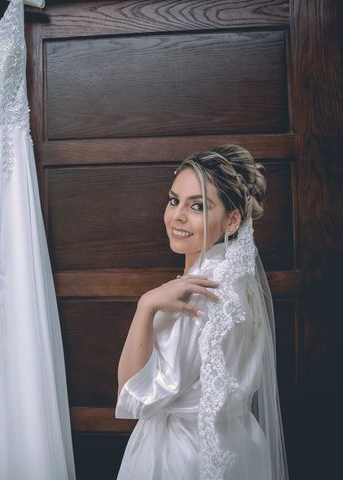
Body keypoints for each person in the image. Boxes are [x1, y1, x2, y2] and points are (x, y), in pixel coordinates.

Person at [116, 145, 288, 479]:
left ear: (232, 219)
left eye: (197, 206)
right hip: (241, 444)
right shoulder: (240, 281)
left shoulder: (198, 295)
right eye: (173, 200)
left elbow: (136, 398)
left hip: (183, 455)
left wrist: (145, 305)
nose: (177, 215)